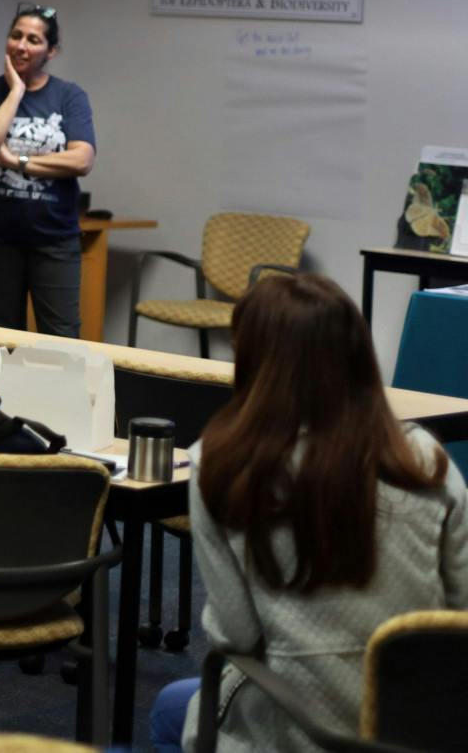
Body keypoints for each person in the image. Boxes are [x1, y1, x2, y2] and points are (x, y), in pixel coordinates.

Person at [148, 274, 468, 753]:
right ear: (358, 356)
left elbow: (236, 634)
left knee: (170, 708)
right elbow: (461, 606)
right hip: (421, 722)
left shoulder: (221, 463)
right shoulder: (425, 459)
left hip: (301, 723)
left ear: (254, 359)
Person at [0, 3, 95, 337]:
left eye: (33, 40)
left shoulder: (69, 96)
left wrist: (16, 162)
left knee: (62, 339)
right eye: (16, 35)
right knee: (2, 339)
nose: (21, 45)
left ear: (51, 51)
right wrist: (16, 92)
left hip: (54, 240)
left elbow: (82, 160)